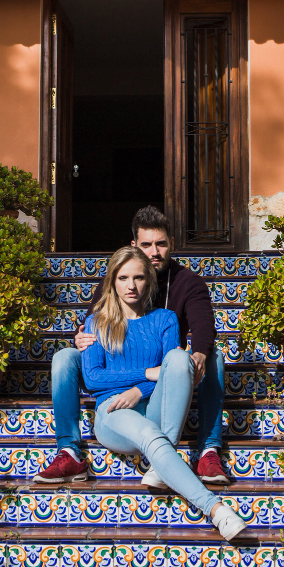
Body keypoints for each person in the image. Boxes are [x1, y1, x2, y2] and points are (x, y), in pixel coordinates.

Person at [34, 206, 229, 486]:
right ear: (134, 246)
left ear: (170, 244)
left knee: (213, 357)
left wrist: (197, 354)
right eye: (147, 245)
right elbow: (93, 321)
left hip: (167, 370)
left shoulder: (188, 282)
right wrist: (80, 336)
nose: (155, 252)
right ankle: (70, 451)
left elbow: (203, 327)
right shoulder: (118, 278)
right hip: (129, 367)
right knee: (65, 357)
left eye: (161, 244)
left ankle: (208, 450)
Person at [68, 245, 246, 540]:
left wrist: (139, 389)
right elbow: (93, 378)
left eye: (138, 278)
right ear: (112, 281)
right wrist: (146, 374)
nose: (131, 285)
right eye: (123, 278)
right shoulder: (96, 322)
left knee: (178, 357)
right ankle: (216, 511)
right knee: (153, 436)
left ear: (149, 281)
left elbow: (172, 372)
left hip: (154, 409)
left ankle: (162, 464)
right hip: (113, 413)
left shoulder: (165, 319)